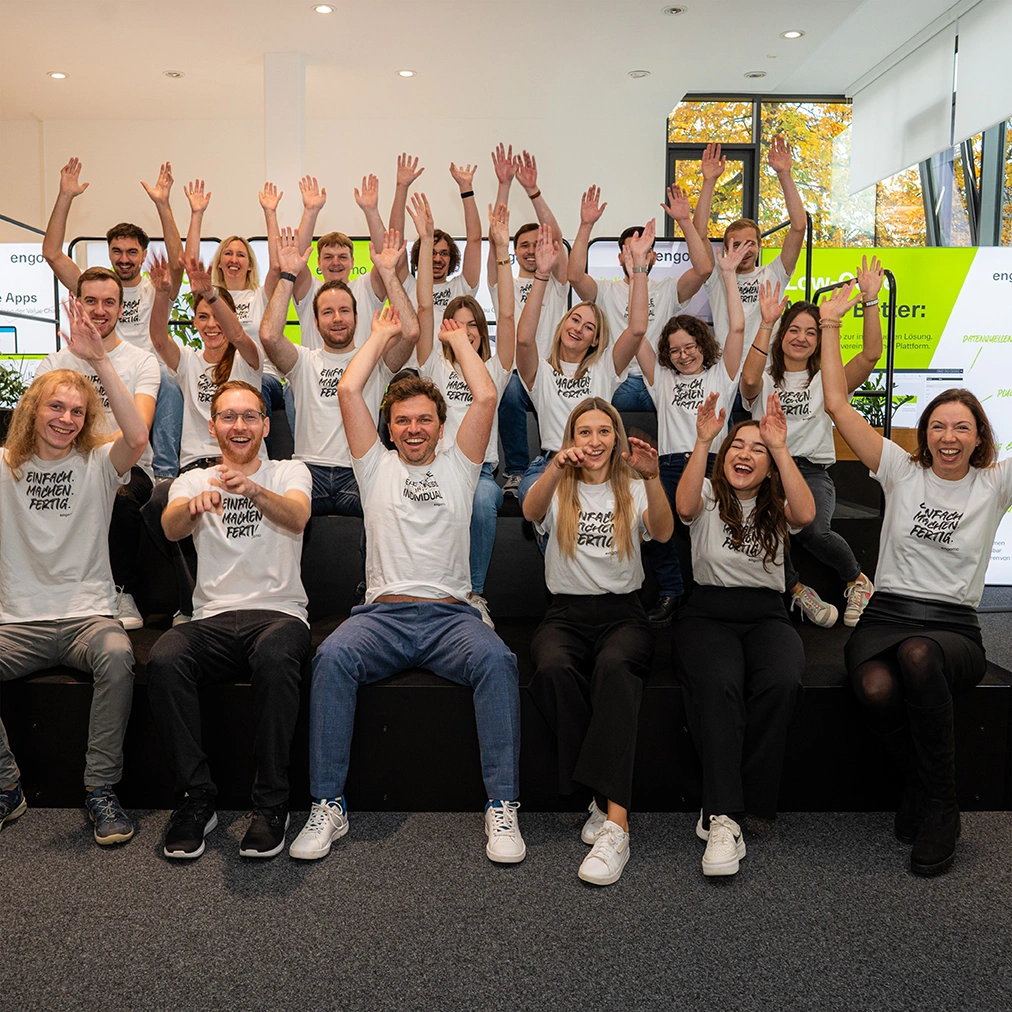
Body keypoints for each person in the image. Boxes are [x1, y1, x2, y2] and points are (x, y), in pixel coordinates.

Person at [290, 306, 525, 865]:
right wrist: (379, 336)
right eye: (402, 420)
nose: (414, 429)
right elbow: (349, 389)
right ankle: (328, 805)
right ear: (388, 427)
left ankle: (503, 805)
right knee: (331, 659)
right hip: (381, 619)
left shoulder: (460, 466)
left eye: (424, 420)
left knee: (499, 661)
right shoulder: (373, 466)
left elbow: (486, 397)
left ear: (441, 427)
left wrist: (457, 341)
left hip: (452, 618)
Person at [821, 314, 1012, 876]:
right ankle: (919, 785)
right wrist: (832, 324)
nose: (948, 437)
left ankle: (942, 806)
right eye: (937, 427)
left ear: (980, 437)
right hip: (886, 615)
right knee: (876, 686)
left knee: (918, 655)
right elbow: (836, 404)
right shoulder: (900, 469)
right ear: (923, 434)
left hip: (953, 627)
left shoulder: (995, 483)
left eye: (961, 428)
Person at [0, 297, 149, 844]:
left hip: (87, 617)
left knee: (118, 657)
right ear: (33, 409)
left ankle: (100, 791)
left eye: (77, 412)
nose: (66, 419)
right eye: (55, 408)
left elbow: (138, 439)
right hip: (17, 622)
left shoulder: (97, 465)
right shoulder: (4, 466)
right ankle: (6, 787)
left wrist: (100, 361)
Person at [148, 380, 312, 860]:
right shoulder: (195, 478)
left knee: (279, 655)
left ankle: (271, 806)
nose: (238, 426)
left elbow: (299, 516)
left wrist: (254, 490)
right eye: (228, 417)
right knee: (164, 657)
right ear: (213, 425)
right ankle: (197, 798)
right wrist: (190, 510)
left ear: (265, 425)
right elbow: (170, 524)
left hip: (279, 614)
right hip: (213, 619)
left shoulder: (288, 471)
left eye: (248, 417)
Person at [523, 397, 673, 885]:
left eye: (603, 431)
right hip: (565, 614)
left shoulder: (633, 483)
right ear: (571, 439)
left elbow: (665, 532)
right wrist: (550, 469)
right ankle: (596, 792)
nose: (594, 441)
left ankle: (617, 822)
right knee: (551, 670)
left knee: (613, 671)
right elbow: (529, 511)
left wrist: (652, 477)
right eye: (583, 432)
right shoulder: (558, 484)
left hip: (622, 615)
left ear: (617, 438)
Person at [674, 393, 815, 877]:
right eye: (739, 446)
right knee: (720, 686)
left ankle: (733, 795)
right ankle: (724, 816)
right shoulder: (711, 497)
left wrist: (780, 448)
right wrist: (703, 440)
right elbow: (683, 503)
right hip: (707, 614)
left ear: (769, 464)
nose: (746, 454)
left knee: (781, 680)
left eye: (758, 449)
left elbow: (807, 513)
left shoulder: (778, 502)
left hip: (766, 616)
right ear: (725, 455)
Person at [741, 262, 881, 628]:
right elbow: (749, 379)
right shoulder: (765, 378)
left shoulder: (827, 379)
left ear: (820, 340)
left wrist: (870, 302)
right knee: (762, 527)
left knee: (814, 530)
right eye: (794, 330)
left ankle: (856, 580)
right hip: (767, 470)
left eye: (811, 332)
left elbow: (869, 356)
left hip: (811, 471)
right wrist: (767, 321)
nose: (801, 337)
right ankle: (798, 590)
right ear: (782, 335)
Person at [41, 156, 186, 480]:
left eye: (132, 252)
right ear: (108, 253)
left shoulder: (155, 288)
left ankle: (162, 475)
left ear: (144, 255)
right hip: (99, 366)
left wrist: (163, 204)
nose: (124, 258)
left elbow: (177, 263)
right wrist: (65, 196)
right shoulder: (95, 286)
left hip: (145, 374)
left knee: (168, 383)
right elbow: (51, 253)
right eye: (117, 251)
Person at [408, 193, 515, 627]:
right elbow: (420, 308)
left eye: (474, 325)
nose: (467, 331)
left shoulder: (495, 368)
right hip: (437, 464)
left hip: (480, 471)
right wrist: (426, 236)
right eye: (457, 323)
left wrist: (502, 251)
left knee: (485, 501)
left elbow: (507, 315)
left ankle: (473, 594)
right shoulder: (433, 361)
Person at [261, 227, 418, 516]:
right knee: (283, 518)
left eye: (344, 311)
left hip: (359, 471)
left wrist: (388, 273)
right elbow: (270, 336)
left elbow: (410, 333)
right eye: (327, 312)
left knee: (391, 515)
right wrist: (287, 276)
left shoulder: (374, 361)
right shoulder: (303, 361)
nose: (337, 319)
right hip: (310, 472)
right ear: (316, 322)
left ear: (357, 317)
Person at [36, 267, 160, 631]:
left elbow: (136, 429)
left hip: (127, 466)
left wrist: (81, 448)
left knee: (121, 497)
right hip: (61, 466)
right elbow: (37, 426)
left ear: (122, 309)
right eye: (90, 301)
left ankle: (120, 590)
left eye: (109, 302)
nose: (100, 310)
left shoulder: (141, 362)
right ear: (77, 304)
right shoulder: (55, 362)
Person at [143, 254, 263, 623]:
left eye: (217, 316)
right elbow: (160, 339)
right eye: (202, 317)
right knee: (160, 501)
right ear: (194, 322)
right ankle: (190, 603)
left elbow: (240, 335)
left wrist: (210, 294)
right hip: (196, 467)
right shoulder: (190, 361)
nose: (211, 324)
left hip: (243, 465)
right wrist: (163, 294)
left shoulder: (247, 360)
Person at [638, 236, 750, 624]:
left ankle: (709, 596)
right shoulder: (662, 379)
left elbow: (737, 329)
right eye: (675, 350)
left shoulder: (722, 373)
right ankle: (671, 593)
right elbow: (637, 334)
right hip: (670, 466)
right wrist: (639, 271)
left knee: (718, 530)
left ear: (702, 344)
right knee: (657, 526)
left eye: (690, 346)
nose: (683, 355)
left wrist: (729, 275)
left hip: (716, 466)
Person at [515, 222, 650, 509]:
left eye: (588, 327)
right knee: (533, 496)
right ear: (564, 323)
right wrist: (541, 274)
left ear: (594, 340)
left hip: (599, 464)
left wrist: (639, 269)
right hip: (553, 462)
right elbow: (524, 340)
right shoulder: (542, 371)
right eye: (575, 319)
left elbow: (637, 329)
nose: (578, 328)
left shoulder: (604, 368)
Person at [567, 183, 714, 412]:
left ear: (654, 256)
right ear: (619, 257)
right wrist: (586, 225)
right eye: (630, 251)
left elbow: (704, 269)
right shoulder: (606, 290)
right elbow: (574, 276)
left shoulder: (667, 288)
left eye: (644, 251)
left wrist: (685, 221)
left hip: (660, 378)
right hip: (617, 381)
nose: (637, 257)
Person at [486, 146, 570, 496]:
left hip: (551, 368)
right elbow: (496, 236)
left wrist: (533, 192)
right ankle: (517, 470)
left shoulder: (556, 280)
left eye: (540, 244)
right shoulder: (503, 279)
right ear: (515, 250)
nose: (533, 250)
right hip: (514, 371)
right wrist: (504, 186)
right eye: (524, 245)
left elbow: (555, 235)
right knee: (507, 393)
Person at [183, 178, 292, 431]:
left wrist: (270, 213)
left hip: (262, 377)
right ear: (220, 262)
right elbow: (190, 263)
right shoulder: (210, 297)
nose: (234, 259)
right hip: (220, 375)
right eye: (228, 254)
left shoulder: (260, 295)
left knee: (252, 388)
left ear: (250, 264)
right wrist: (196, 214)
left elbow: (278, 266)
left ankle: (255, 449)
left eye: (241, 254)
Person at [697, 136, 807, 357]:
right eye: (736, 245)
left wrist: (784, 175)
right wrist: (708, 182)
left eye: (750, 244)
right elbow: (698, 235)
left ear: (759, 246)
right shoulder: (718, 275)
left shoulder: (773, 273)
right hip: (725, 372)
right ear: (727, 248)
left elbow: (798, 227)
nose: (744, 251)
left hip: (764, 372)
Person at [291, 173, 417, 349]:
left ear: (352, 262)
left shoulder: (365, 287)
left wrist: (371, 211)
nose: (336, 262)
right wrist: (310, 212)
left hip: (364, 375)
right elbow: (295, 259)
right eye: (328, 257)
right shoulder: (310, 289)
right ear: (318, 262)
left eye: (342, 257)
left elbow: (386, 257)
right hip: (317, 376)